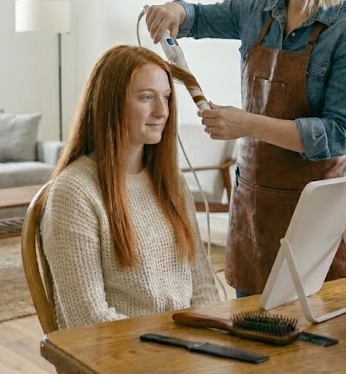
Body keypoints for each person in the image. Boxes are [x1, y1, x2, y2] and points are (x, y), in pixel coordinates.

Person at [144, 0, 346, 297]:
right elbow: (196, 15)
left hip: (317, 210)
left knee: (320, 340)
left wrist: (246, 123)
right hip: (254, 202)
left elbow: (339, 135)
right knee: (253, 329)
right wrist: (175, 10)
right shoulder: (260, 10)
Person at [40, 44, 220, 329]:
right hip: (123, 358)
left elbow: (202, 284)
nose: (163, 111)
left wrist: (214, 335)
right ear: (107, 104)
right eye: (146, 97)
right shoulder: (74, 192)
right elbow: (88, 321)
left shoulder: (172, 182)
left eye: (166, 97)